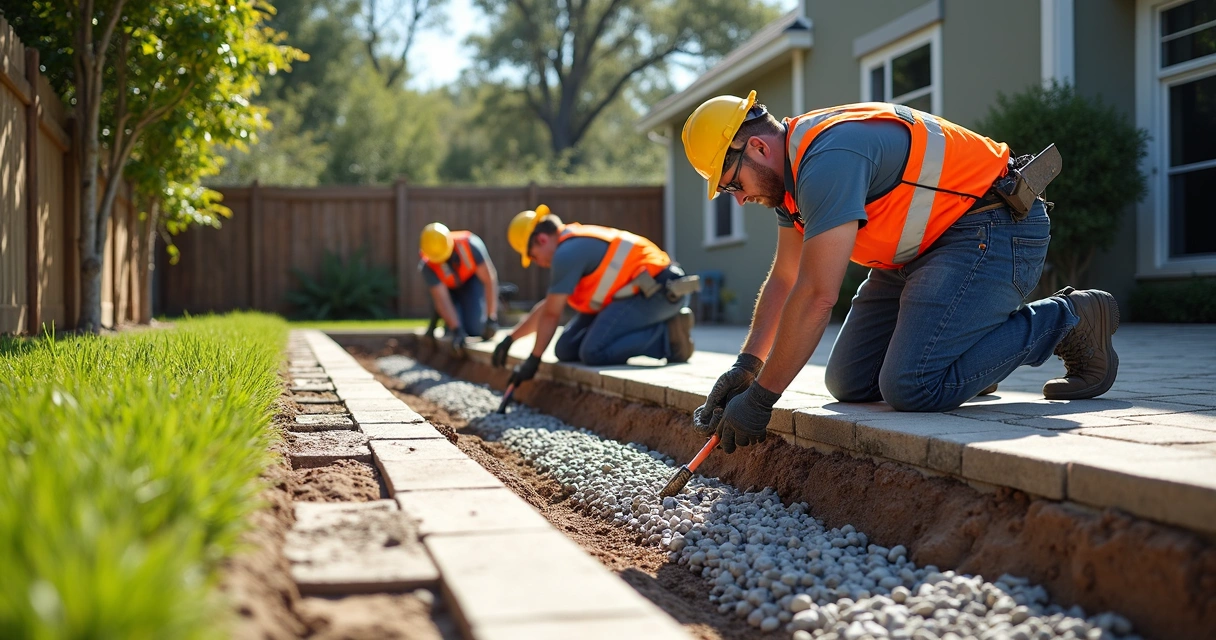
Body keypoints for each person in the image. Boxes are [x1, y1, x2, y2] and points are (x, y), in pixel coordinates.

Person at [680, 92, 1119, 453]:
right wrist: (746, 367)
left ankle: (1069, 319)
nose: (737, 199)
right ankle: (965, 352)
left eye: (733, 184)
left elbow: (816, 296)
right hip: (924, 250)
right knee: (848, 382)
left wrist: (762, 399)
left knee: (912, 387)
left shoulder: (827, 159)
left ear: (756, 147)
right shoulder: (790, 176)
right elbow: (786, 279)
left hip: (991, 227)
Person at [490, 204, 697, 386]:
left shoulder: (566, 254)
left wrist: (533, 360)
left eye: (533, 256)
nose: (538, 263)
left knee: (593, 351)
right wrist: (510, 339)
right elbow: (548, 307)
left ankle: (667, 337)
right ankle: (663, 334)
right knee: (565, 349)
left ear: (542, 239)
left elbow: (552, 315)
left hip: (661, 292)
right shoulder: (570, 245)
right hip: (633, 294)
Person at [418, 222, 500, 353]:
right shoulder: (428, 266)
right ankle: (448, 323)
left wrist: (491, 318)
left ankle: (486, 310)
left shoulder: (471, 245)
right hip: (448, 292)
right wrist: (457, 330)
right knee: (452, 330)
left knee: (475, 329)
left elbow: (489, 280)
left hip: (470, 283)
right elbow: (442, 299)